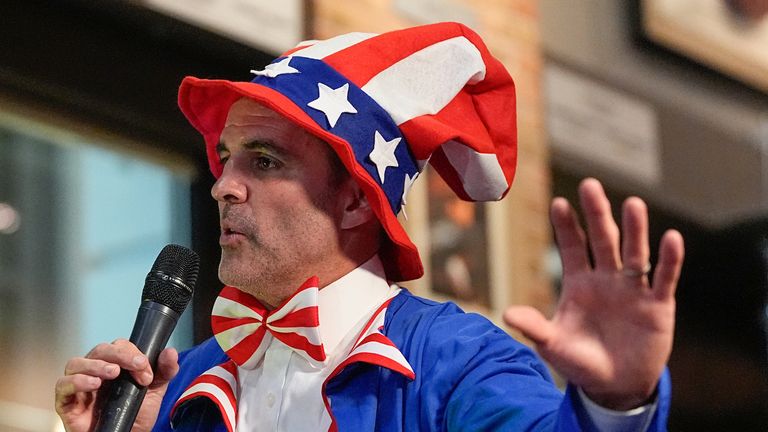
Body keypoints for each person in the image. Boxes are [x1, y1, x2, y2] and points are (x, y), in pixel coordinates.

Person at [55, 22, 684, 431]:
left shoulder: (455, 360)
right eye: (226, 157)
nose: (223, 184)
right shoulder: (180, 384)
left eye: (265, 160)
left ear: (358, 201)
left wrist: (617, 405)